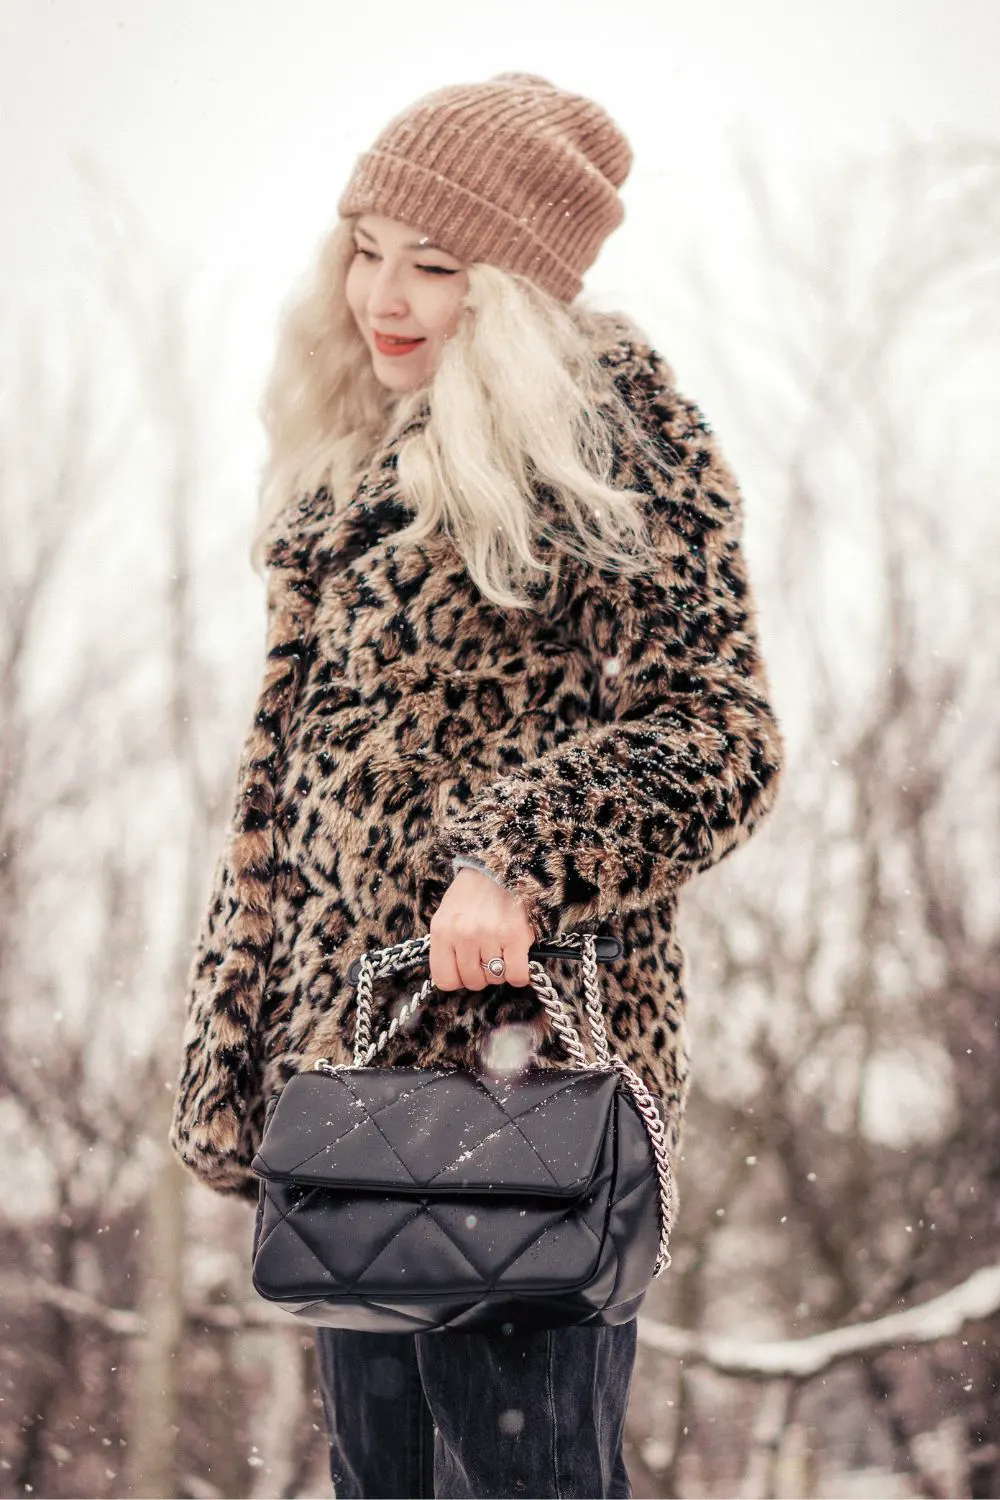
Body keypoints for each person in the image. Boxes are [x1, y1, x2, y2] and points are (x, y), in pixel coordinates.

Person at [169, 72, 786, 1499]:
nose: (383, 292)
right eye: (366, 244)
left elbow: (721, 734)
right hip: (362, 1121)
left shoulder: (616, 443)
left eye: (434, 264)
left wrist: (514, 855)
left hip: (525, 1115)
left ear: (509, 290)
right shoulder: (357, 474)